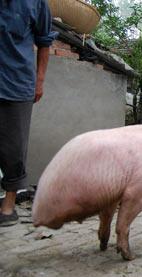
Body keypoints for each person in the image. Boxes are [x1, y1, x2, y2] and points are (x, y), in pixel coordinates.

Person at [0, 0, 57, 226]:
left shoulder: (36, 4)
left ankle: (8, 205)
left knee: (14, 146)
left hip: (17, 85)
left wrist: (39, 80)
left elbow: (44, 41)